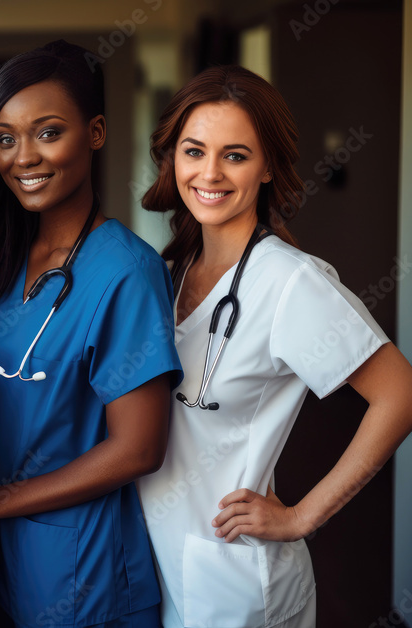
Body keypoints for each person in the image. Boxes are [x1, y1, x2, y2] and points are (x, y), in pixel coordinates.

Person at [138, 65, 412, 628]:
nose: (209, 173)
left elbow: (399, 395)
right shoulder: (166, 271)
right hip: (158, 562)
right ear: (172, 158)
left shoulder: (291, 282)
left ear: (267, 168)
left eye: (235, 155)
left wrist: (302, 516)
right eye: (194, 151)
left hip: (234, 582)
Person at [0, 40, 182, 628]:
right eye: (5, 138)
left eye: (48, 132)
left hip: (86, 571)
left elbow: (140, 448)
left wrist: (1, 500)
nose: (24, 156)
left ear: (95, 132)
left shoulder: (126, 271)